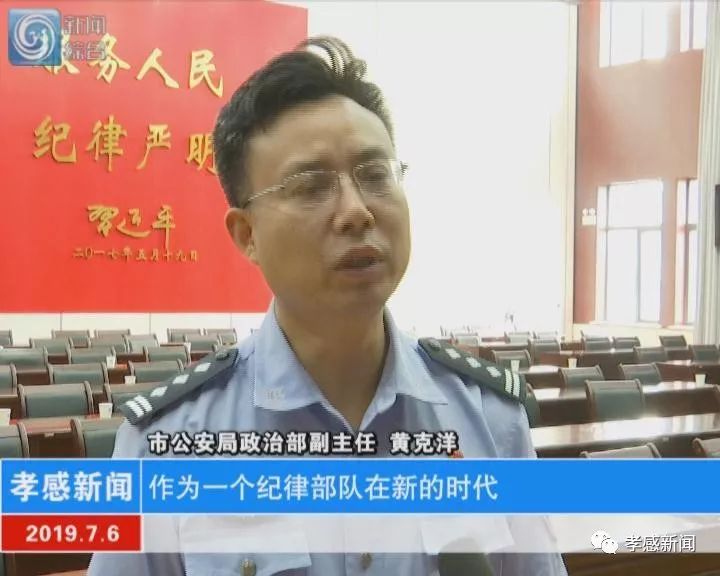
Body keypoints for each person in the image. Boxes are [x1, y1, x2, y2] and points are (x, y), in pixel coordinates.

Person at [88, 36, 567, 576]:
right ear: (247, 234)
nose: (357, 211)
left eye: (375, 175)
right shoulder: (164, 445)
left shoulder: (491, 420)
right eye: (311, 186)